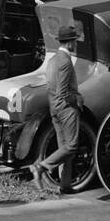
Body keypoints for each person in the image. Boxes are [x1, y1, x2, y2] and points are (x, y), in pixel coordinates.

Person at [29, 24, 84, 194]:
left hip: (55, 109)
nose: (75, 44)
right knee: (72, 146)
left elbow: (51, 88)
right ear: (70, 43)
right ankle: (40, 167)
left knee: (64, 150)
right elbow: (63, 91)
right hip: (66, 109)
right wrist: (77, 99)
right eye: (74, 41)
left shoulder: (53, 60)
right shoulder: (65, 61)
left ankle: (65, 186)